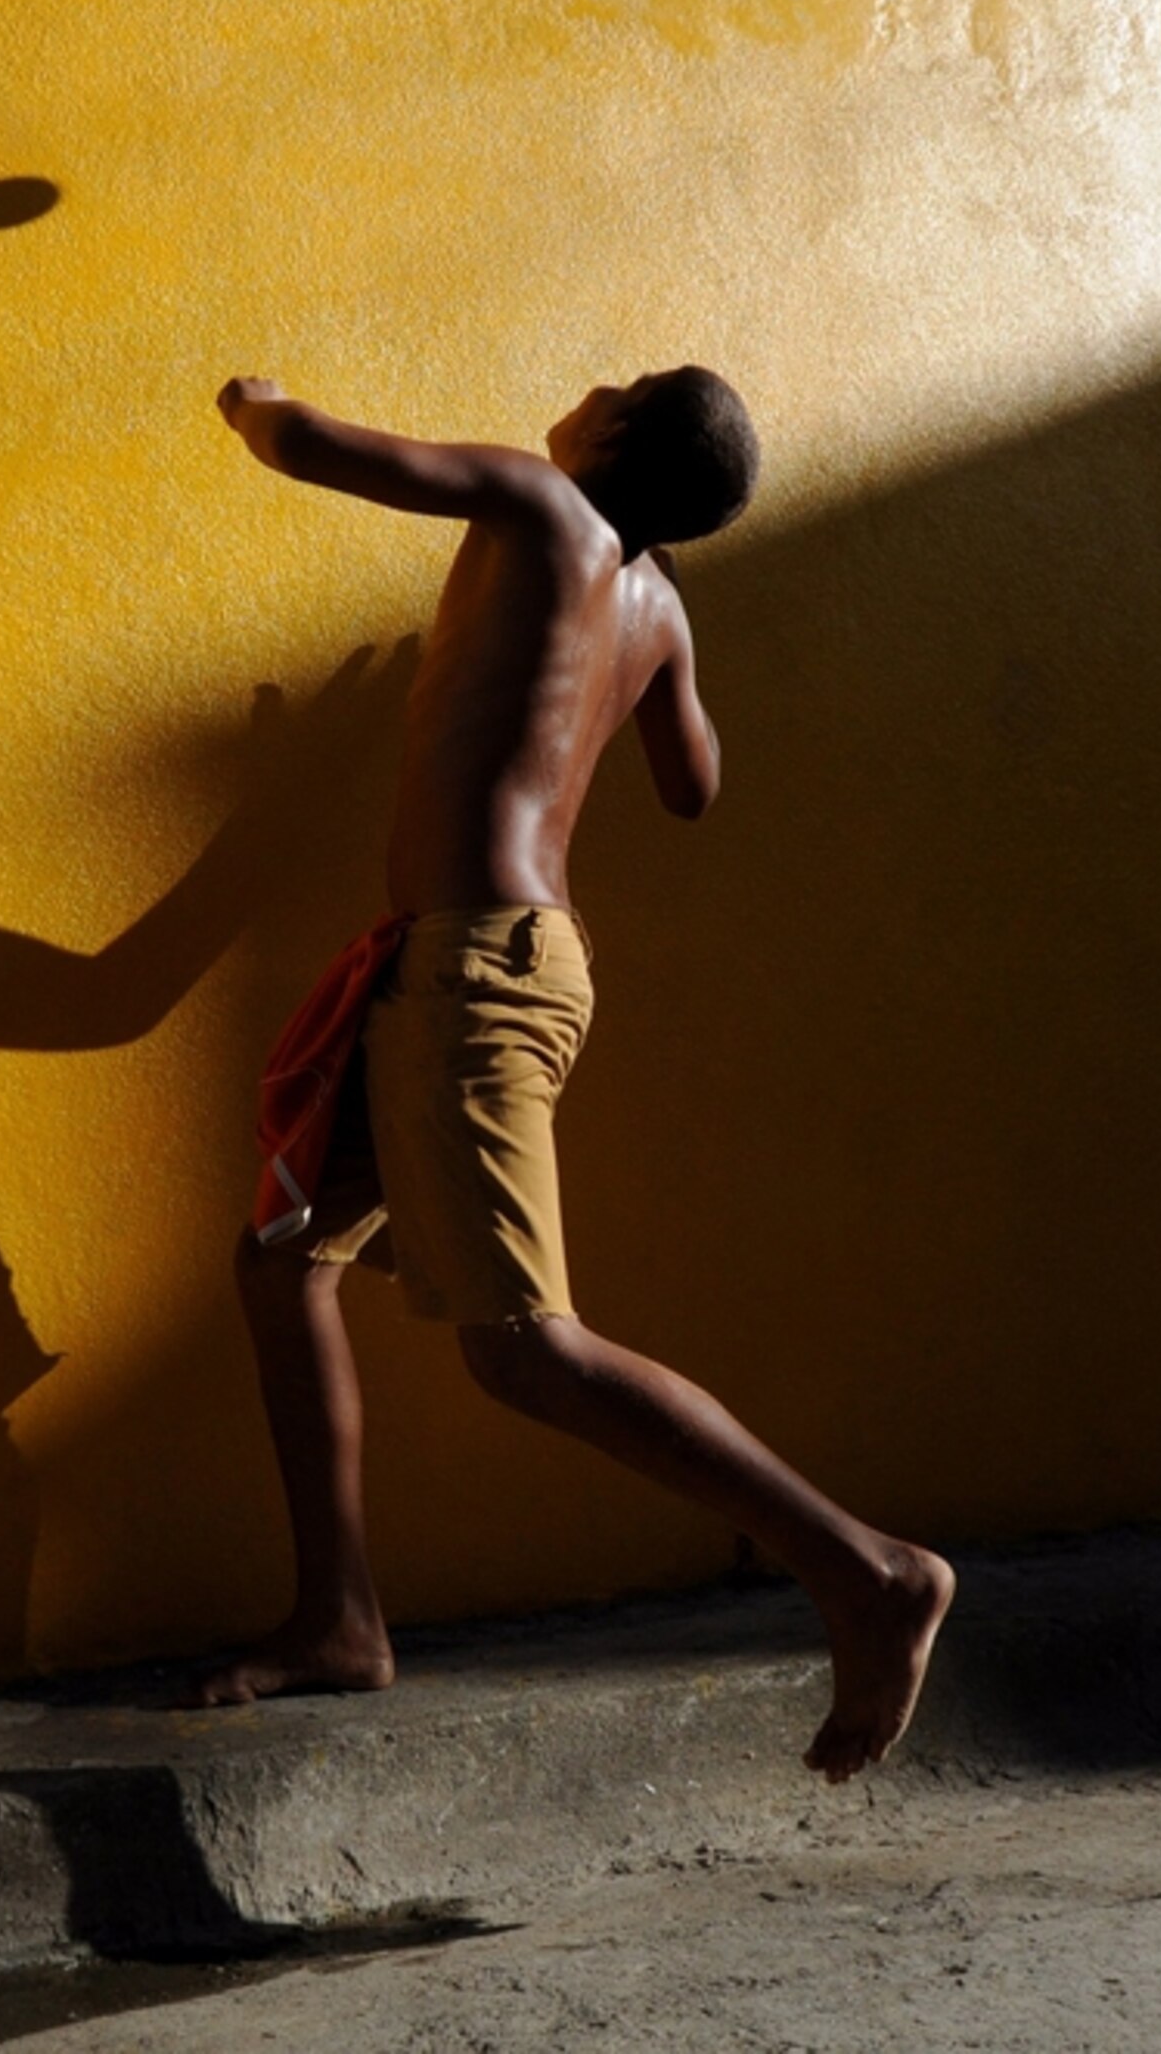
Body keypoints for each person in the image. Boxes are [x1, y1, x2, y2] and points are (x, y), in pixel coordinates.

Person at [195, 368, 955, 1783]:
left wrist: (250, 396)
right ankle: (340, 1619)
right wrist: (635, 660)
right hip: (493, 965)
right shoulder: (660, 605)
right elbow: (695, 785)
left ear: (607, 439)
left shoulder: (538, 497)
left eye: (611, 385)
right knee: (281, 1257)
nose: (584, 387)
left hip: (476, 974)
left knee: (526, 1346)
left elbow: (304, 445)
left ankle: (865, 1570)